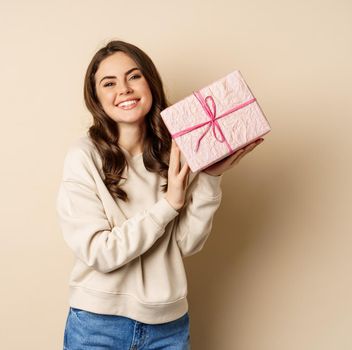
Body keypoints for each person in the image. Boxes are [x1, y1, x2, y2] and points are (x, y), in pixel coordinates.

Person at [56, 40, 264, 349]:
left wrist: (210, 176)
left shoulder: (176, 150)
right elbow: (100, 252)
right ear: (97, 98)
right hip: (98, 325)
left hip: (168, 327)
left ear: (150, 82)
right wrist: (168, 205)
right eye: (109, 83)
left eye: (134, 76)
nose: (124, 88)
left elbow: (186, 243)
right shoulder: (83, 156)